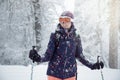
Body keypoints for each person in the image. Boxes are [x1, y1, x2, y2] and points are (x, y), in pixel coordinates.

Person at [29, 11, 104, 80]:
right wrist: (38, 58)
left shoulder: (76, 37)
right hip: (54, 74)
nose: (63, 22)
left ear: (72, 21)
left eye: (67, 20)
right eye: (61, 19)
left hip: (70, 75)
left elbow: (80, 56)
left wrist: (93, 65)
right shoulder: (55, 36)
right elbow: (48, 55)